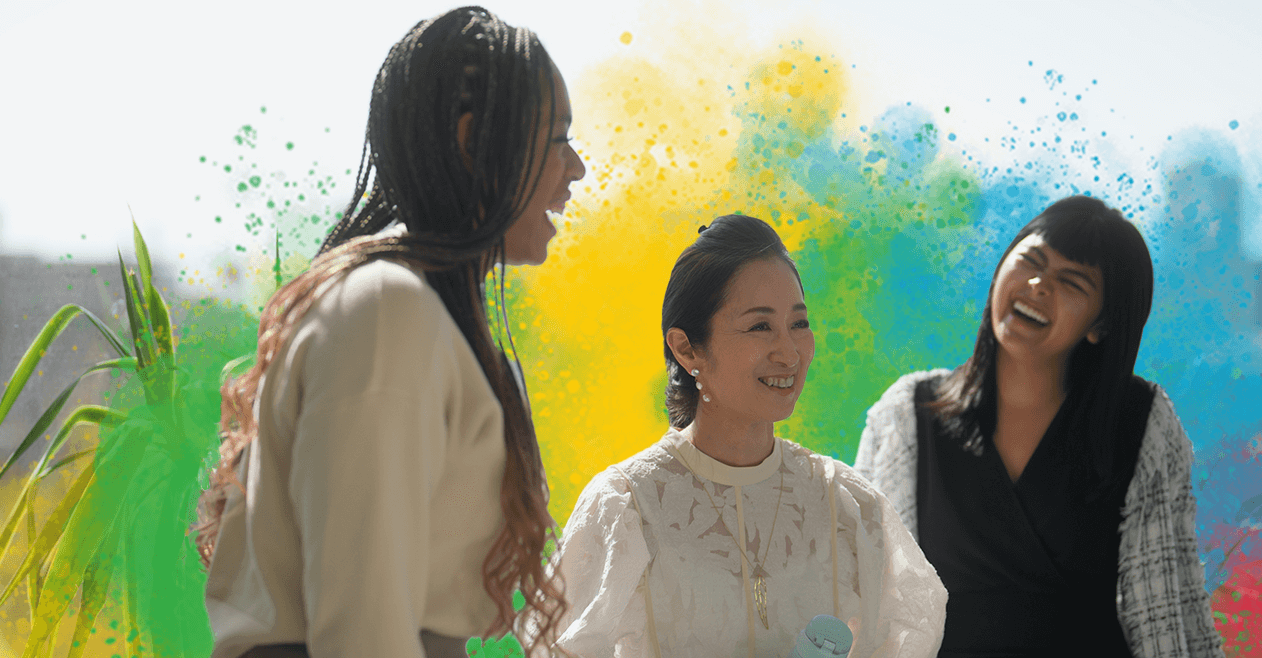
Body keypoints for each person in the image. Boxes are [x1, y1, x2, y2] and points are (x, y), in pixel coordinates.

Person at [194, 7, 587, 658]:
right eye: (558, 138)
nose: (576, 168)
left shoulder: (407, 309)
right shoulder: (387, 313)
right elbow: (360, 631)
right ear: (470, 139)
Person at [548, 215, 946, 658]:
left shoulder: (844, 504)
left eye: (799, 324)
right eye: (760, 327)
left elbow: (906, 634)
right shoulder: (626, 506)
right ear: (687, 348)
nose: (789, 352)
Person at [853, 196, 1226, 657]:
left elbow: (1167, 611)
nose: (1037, 285)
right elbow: (865, 596)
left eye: (1071, 282)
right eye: (1031, 261)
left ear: (1101, 324)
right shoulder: (907, 415)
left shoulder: (1141, 423)